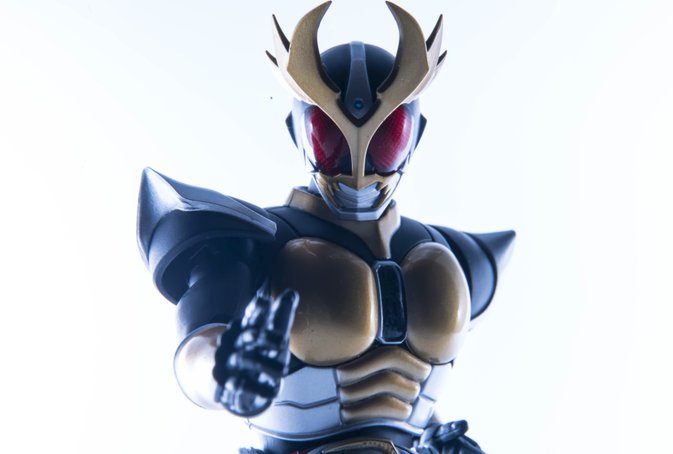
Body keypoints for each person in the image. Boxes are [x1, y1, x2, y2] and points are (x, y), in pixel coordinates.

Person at [137, 2, 514, 453]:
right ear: (298, 133)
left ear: (414, 136)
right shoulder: (257, 244)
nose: (359, 167)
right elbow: (196, 347)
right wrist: (224, 371)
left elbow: (408, 385)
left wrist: (438, 435)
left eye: (386, 139)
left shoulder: (455, 257)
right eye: (330, 139)